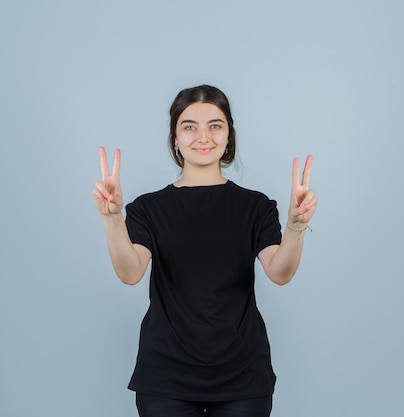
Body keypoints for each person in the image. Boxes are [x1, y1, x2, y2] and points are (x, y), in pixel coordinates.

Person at [92, 85, 318, 417]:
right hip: (166, 374)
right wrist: (112, 219)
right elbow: (130, 272)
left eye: (215, 125)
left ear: (229, 137)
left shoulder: (255, 206)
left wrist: (296, 226)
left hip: (242, 374)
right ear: (175, 138)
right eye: (189, 126)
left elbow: (279, 272)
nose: (203, 136)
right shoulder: (147, 208)